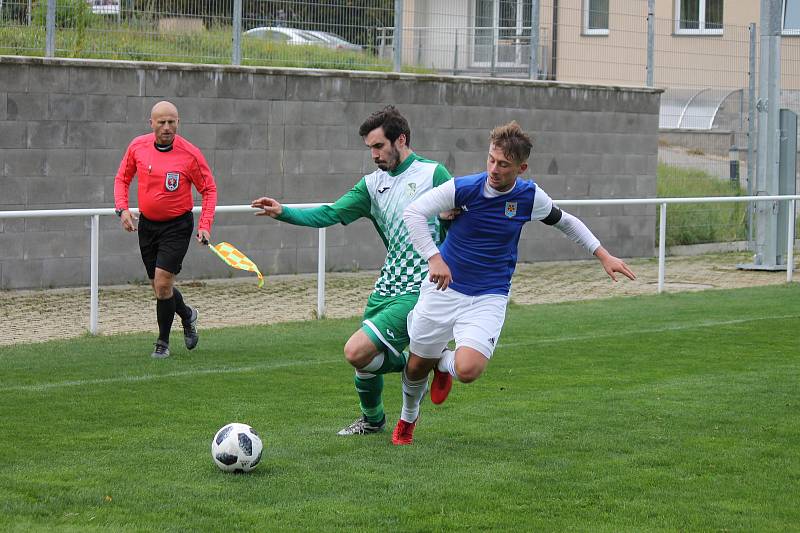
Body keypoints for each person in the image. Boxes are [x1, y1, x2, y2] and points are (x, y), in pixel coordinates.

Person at [393, 121, 636, 445]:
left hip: (489, 295)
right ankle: (408, 417)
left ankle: (443, 363)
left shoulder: (529, 197)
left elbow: (566, 222)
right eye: (491, 159)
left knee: (467, 370)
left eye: (503, 164)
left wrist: (603, 255)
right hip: (444, 289)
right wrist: (434, 259)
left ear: (521, 167)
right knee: (414, 368)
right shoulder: (463, 188)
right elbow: (413, 213)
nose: (494, 168)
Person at [251, 106, 453, 435]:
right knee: (365, 363)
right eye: (370, 148)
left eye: (378, 146)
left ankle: (429, 360)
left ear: (400, 140)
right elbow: (330, 213)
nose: (373, 155)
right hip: (387, 287)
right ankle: (376, 419)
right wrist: (284, 212)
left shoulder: (434, 175)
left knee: (355, 350)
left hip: (423, 288)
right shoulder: (372, 186)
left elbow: (457, 223)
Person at [114, 100, 218, 359]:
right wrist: (122, 209)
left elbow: (209, 190)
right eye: (161, 122)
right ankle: (187, 314)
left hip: (177, 225)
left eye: (172, 122)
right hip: (147, 226)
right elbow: (122, 178)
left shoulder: (190, 154)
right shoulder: (137, 146)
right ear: (151, 123)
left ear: (178, 123)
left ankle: (162, 343)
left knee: (162, 284)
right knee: (160, 287)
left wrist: (205, 225)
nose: (167, 127)